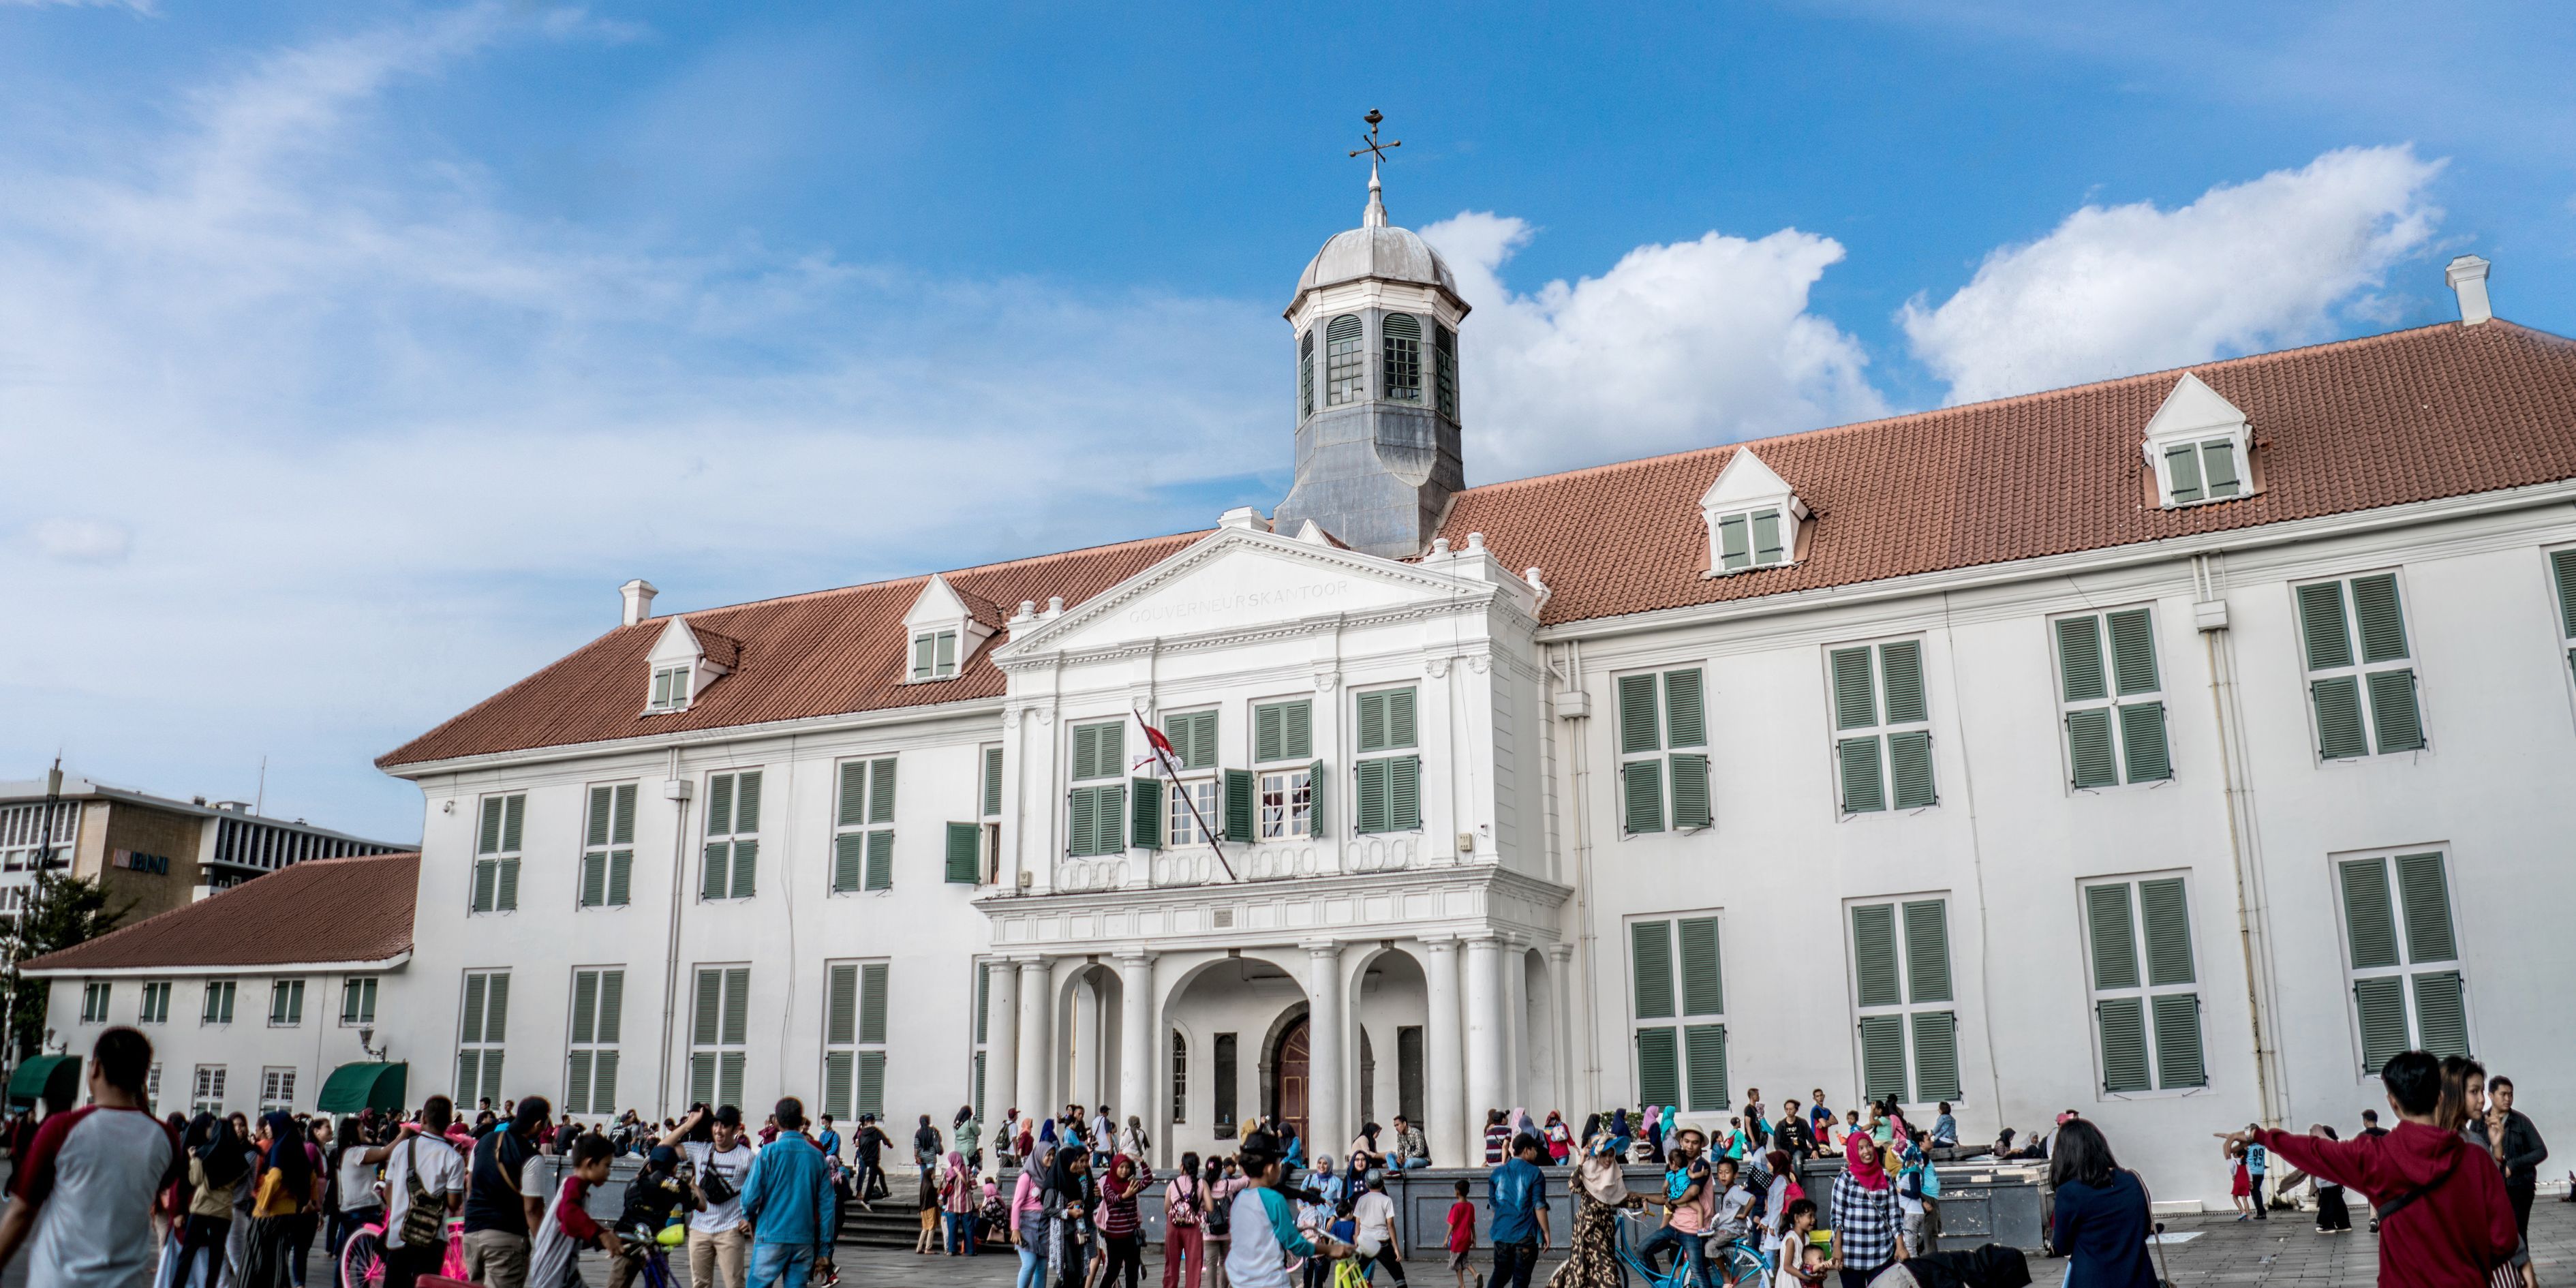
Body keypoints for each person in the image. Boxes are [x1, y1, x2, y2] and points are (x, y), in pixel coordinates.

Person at [2230, 1049, 2519, 1288]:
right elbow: (2504, 1240)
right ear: (2441, 1097)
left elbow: (2314, 1152)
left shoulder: (2374, 1157)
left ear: (2393, 1103)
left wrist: (2260, 1135)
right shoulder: (2477, 1158)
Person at [0, 1028, 181, 1288]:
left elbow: (22, 1212)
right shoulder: (166, 1138)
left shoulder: (61, 1129)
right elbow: (163, 1181)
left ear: (95, 1068)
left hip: (57, 1280)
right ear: (144, 1078)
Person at [1223, 1131, 1350, 1288]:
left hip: (1239, 1279)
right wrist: (1332, 1250)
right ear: (1270, 1169)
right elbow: (1296, 1245)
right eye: (1279, 1163)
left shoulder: (1240, 1199)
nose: (1280, 1167)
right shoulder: (1273, 1200)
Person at [2040, 1118, 2153, 1287]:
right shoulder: (2133, 1181)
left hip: (2092, 1279)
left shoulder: (2070, 1192)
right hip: (2138, 1278)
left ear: (2065, 1154)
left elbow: (2063, 1246)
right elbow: (2144, 1230)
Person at [739, 1099, 835, 1288]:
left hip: (771, 1234)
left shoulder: (768, 1153)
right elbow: (827, 1207)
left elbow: (750, 1196)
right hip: (803, 1238)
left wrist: (748, 1216)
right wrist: (825, 1248)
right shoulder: (817, 1157)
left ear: (776, 1121)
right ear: (801, 1122)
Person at [660, 1105, 754, 1288]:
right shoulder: (701, 1150)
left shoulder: (747, 1157)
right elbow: (662, 1149)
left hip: (730, 1230)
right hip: (699, 1230)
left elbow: (763, 1188)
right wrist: (688, 1125)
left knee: (734, 1284)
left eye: (724, 1126)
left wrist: (749, 1216)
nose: (718, 1131)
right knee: (700, 1285)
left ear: (736, 1130)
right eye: (716, 1125)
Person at [463, 1097, 549, 1288]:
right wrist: (546, 1246)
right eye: (544, 1124)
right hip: (505, 1238)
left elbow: (470, 1184)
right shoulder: (532, 1157)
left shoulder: (483, 1142)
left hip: (471, 1234)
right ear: (537, 1124)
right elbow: (532, 1210)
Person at [382, 1097, 467, 1288]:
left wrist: (401, 1212)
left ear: (423, 1120)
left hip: (399, 1235)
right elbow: (454, 1204)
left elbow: (388, 1192)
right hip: (432, 1238)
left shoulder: (401, 1149)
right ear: (448, 1124)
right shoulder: (454, 1158)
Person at [526, 1133, 619, 1288]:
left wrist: (608, 1237)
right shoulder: (573, 1185)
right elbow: (569, 1214)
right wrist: (600, 1234)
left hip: (564, 1273)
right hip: (553, 1276)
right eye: (607, 1165)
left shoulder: (577, 1189)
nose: (609, 1172)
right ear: (590, 1164)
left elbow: (573, 1233)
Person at [243, 1110, 322, 1288]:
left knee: (253, 1258)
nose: (267, 1128)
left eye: (269, 1124)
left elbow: (275, 1176)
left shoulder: (279, 1147)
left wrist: (262, 1203)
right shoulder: (296, 1146)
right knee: (279, 1259)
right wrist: (313, 1202)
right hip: (289, 1211)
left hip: (269, 1212)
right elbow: (313, 1177)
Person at [609, 1146, 698, 1288]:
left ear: (649, 1166)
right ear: (675, 1167)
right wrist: (694, 1188)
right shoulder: (678, 1186)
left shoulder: (634, 1183)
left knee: (617, 1283)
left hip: (627, 1239)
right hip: (655, 1241)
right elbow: (700, 1205)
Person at [1636, 1125, 1711, 1288]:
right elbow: (1666, 1196)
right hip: (1674, 1226)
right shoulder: (1676, 1164)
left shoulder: (1701, 1166)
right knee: (1642, 1250)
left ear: (1701, 1146)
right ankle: (1659, 1285)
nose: (1690, 1146)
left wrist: (1672, 1202)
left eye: (1695, 1143)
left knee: (1698, 1271)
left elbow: (1693, 1192)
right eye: (1687, 1142)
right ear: (1681, 1141)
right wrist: (1642, 1195)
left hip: (1693, 1229)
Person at [1829, 1126, 1904, 1287]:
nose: (1866, 1151)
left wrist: (1900, 1245)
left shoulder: (1886, 1178)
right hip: (1850, 1254)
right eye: (1860, 1148)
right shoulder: (1845, 1179)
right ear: (1854, 1153)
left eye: (1869, 1146)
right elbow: (1837, 1216)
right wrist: (1837, 1246)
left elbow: (1894, 1215)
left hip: (1882, 1252)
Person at [2478, 1075, 2547, 1240]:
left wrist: (2514, 1165)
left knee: (2518, 1233)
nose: (2508, 1099)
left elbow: (2540, 1151)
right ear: (2491, 1096)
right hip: (2490, 1186)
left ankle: (2521, 1265)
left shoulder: (2521, 1122)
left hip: (2520, 1187)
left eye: (2511, 1094)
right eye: (2503, 1094)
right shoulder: (2480, 1121)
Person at [1487, 1132, 1550, 1288]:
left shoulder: (1497, 1173)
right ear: (1527, 1150)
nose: (1537, 1153)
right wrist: (1546, 1232)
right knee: (1521, 1280)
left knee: (1500, 1275)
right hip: (1525, 1235)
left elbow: (1494, 1207)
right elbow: (1539, 1206)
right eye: (1535, 1149)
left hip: (1501, 1235)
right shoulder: (1535, 1173)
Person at [1098, 1153, 1154, 1288]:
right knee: (1113, 1270)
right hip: (1115, 1237)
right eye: (1121, 1167)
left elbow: (1148, 1180)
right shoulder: (1108, 1184)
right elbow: (1112, 1199)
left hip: (1131, 1236)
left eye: (1127, 1167)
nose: (1124, 1170)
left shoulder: (1132, 1185)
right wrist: (1125, 1195)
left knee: (1132, 1273)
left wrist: (1142, 1162)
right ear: (1115, 1168)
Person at [1349, 1169, 1405, 1287]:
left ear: (1366, 1184)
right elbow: (1390, 1225)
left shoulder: (1361, 1200)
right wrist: (1395, 1247)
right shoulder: (1387, 1200)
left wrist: (1357, 1242)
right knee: (1397, 1273)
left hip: (1365, 1243)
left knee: (1353, 1273)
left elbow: (1358, 1224)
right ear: (1382, 1183)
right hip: (1382, 1243)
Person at [1163, 1151, 1206, 1288]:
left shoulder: (1173, 1184)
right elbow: (1210, 1206)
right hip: (1194, 1224)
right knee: (1194, 1262)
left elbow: (1166, 1208)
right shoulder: (1201, 1183)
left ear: (1182, 1166)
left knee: (1172, 1262)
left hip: (1173, 1224)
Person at [1773, 1199, 1833, 1288]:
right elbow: (1787, 1267)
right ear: (1797, 1218)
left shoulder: (1806, 1238)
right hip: (1790, 1280)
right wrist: (1807, 1277)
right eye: (1810, 1216)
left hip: (1800, 1279)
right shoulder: (1792, 1239)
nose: (1813, 1220)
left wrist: (1819, 1273)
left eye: (1814, 1216)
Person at [1203, 1156, 1240, 1288]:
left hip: (1209, 1233)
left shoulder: (1202, 1186)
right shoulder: (1228, 1184)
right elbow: (1246, 1181)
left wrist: (1202, 1221)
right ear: (1221, 1170)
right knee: (1225, 1262)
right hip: (1226, 1231)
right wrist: (1242, 1161)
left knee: (1211, 1265)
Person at [2307, 1126, 2353, 1234]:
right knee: (2339, 1203)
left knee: (2327, 1204)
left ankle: (2328, 1225)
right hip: (2337, 1180)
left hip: (2325, 1180)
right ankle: (2344, 1224)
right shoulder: (2337, 1145)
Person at [941, 1150, 981, 1255]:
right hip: (966, 1203)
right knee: (968, 1229)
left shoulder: (949, 1171)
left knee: (952, 1229)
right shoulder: (967, 1170)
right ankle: (970, 1250)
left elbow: (945, 1187)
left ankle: (952, 1250)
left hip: (952, 1204)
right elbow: (974, 1186)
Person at [853, 1113, 893, 1207]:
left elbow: (859, 1145)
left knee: (881, 1173)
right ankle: (866, 1200)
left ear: (866, 1122)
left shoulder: (862, 1132)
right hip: (873, 1158)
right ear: (874, 1121)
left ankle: (885, 1193)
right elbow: (885, 1140)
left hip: (865, 1158)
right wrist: (890, 1145)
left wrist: (863, 1154)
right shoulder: (876, 1131)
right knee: (872, 1179)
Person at [1443, 1178, 1475, 1288]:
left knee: (1456, 1263)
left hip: (1457, 1239)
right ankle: (1476, 1274)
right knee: (1464, 1260)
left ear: (1457, 1191)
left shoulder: (1455, 1207)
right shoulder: (1471, 1206)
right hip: (1467, 1238)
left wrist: (1447, 1238)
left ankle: (1462, 1285)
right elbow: (1472, 1224)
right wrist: (1474, 1238)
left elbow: (1452, 1224)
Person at [2224, 1138, 2252, 1219]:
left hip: (2238, 1181)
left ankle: (2243, 1211)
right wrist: (2251, 1181)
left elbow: (2231, 1168)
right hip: (2246, 1181)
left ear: (2237, 1154)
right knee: (2245, 1199)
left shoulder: (2234, 1161)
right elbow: (2249, 1172)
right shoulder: (2245, 1162)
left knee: (2235, 1197)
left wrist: (2233, 1175)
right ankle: (2248, 1216)